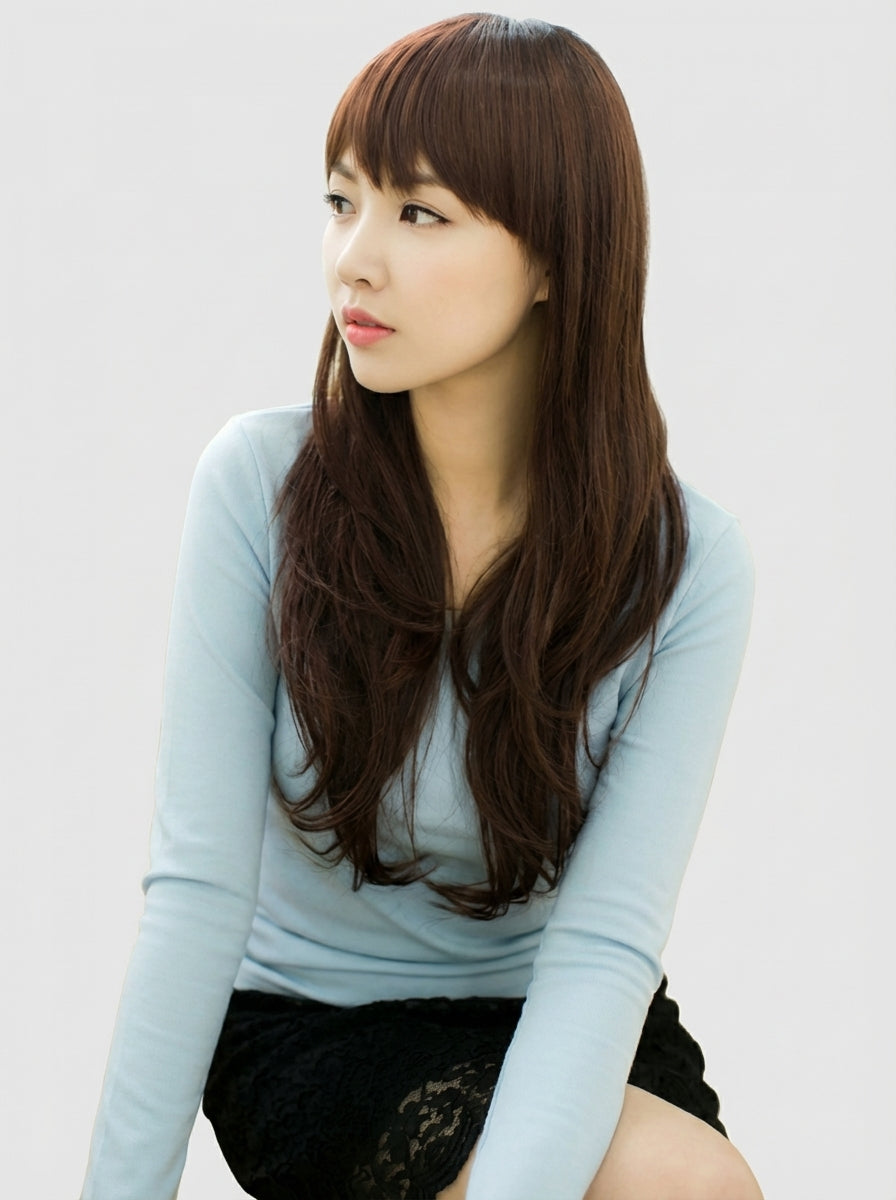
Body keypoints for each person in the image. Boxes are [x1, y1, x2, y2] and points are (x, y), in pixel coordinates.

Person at [80, 13, 763, 1200]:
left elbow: (603, 946)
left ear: (553, 258)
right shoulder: (257, 485)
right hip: (310, 1019)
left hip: (552, 1005)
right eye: (341, 201)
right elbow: (195, 895)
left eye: (419, 213)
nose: (354, 258)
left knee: (696, 1188)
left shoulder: (687, 565)